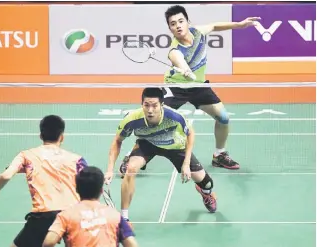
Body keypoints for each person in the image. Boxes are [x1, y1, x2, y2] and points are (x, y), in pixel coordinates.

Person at [119, 5, 261, 175]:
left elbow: (215, 26)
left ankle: (219, 154)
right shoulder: (174, 51)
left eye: (181, 21)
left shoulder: (197, 32)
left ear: (188, 22)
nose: (178, 26)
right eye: (173, 24)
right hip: (175, 88)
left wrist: (239, 25)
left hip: (199, 87)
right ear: (170, 28)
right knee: (155, 120)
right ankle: (132, 155)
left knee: (223, 117)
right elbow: (179, 60)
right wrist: (185, 69)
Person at [105, 88, 217, 222]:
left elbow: (190, 134)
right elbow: (117, 141)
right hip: (148, 144)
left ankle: (205, 193)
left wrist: (186, 163)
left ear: (161, 105)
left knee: (207, 184)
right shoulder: (132, 119)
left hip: (174, 146)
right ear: (142, 105)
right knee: (131, 169)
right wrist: (110, 169)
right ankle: (124, 217)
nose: (150, 110)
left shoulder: (174, 116)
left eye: (154, 105)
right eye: (146, 105)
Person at [0, 115, 88, 247]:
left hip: (44, 215)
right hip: (72, 214)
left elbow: (5, 176)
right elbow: (89, 182)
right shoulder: (77, 159)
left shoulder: (26, 155)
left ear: (40, 135)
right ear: (62, 136)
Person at [42, 166, 138, 247]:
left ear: (77, 189)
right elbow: (132, 244)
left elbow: (49, 242)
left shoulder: (66, 215)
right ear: (101, 191)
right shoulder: (115, 215)